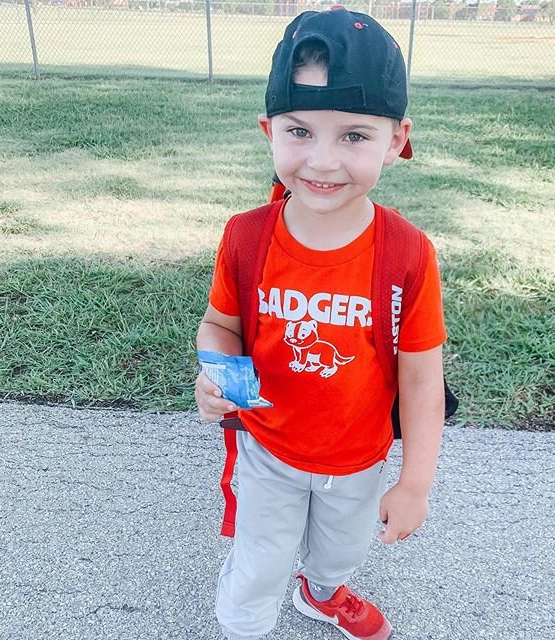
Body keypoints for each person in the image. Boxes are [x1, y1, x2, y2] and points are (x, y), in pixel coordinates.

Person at [195, 7, 447, 640]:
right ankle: (243, 628)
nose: (324, 160)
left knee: (340, 551)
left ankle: (322, 590)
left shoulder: (407, 252)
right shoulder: (247, 237)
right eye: (299, 131)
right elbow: (219, 325)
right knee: (259, 564)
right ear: (269, 130)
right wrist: (219, 373)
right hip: (268, 449)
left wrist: (413, 483)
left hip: (360, 459)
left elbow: (421, 380)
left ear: (397, 139)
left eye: (354, 136)